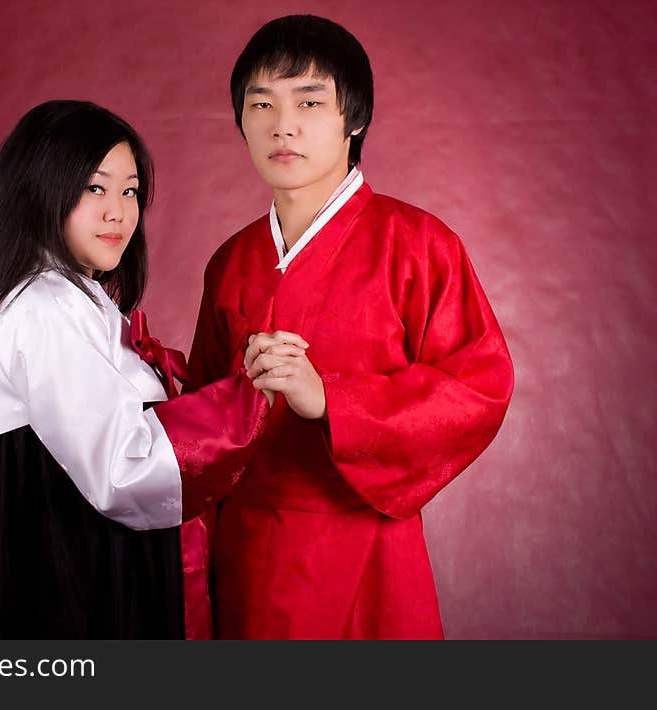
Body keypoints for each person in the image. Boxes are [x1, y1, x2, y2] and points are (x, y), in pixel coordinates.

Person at [184, 15, 515, 639]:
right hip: (246, 551)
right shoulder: (229, 261)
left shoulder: (418, 244)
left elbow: (479, 387)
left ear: (353, 118)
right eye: (262, 103)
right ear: (242, 121)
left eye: (309, 101)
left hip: (365, 550)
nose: (283, 124)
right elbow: (204, 415)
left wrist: (331, 399)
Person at [0, 100, 271, 640]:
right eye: (95, 188)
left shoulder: (86, 302)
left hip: (98, 555)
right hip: (71, 563)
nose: (118, 212)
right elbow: (121, 471)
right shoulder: (43, 303)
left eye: (130, 191)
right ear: (41, 189)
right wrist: (247, 403)